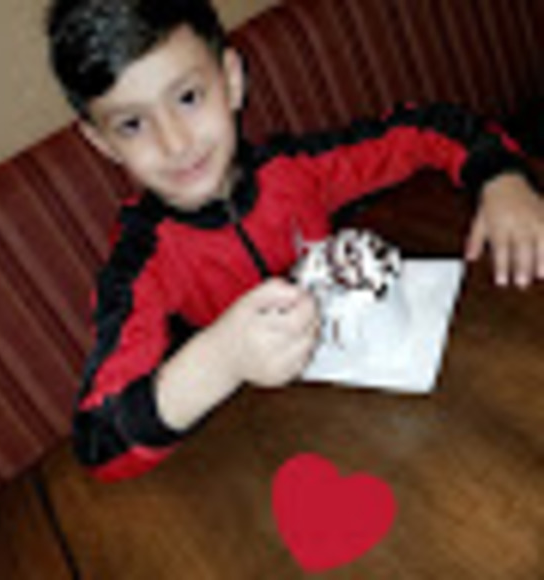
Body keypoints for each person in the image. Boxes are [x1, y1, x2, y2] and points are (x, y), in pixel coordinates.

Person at [46, 0, 544, 482]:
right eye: (132, 124)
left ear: (231, 80)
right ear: (102, 142)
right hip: (271, 456)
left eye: (189, 97)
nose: (175, 143)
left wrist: (500, 176)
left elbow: (425, 130)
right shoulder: (140, 264)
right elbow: (99, 440)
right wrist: (222, 358)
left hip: (401, 405)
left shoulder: (295, 171)